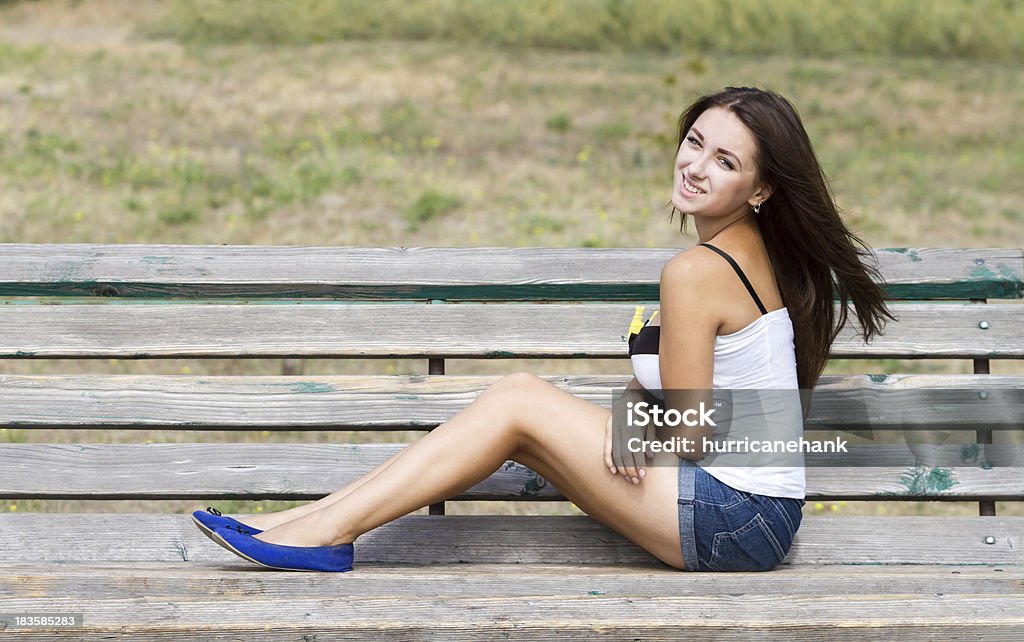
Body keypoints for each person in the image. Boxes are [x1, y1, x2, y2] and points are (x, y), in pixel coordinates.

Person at [194, 86, 895, 573]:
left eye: (725, 161)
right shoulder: (748, 255)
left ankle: (322, 532)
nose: (695, 165)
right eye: (695, 141)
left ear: (762, 190)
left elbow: (690, 432)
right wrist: (635, 412)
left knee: (518, 400)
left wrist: (637, 426)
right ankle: (300, 524)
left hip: (736, 519)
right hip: (754, 515)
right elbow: (689, 388)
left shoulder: (697, 270)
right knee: (518, 418)